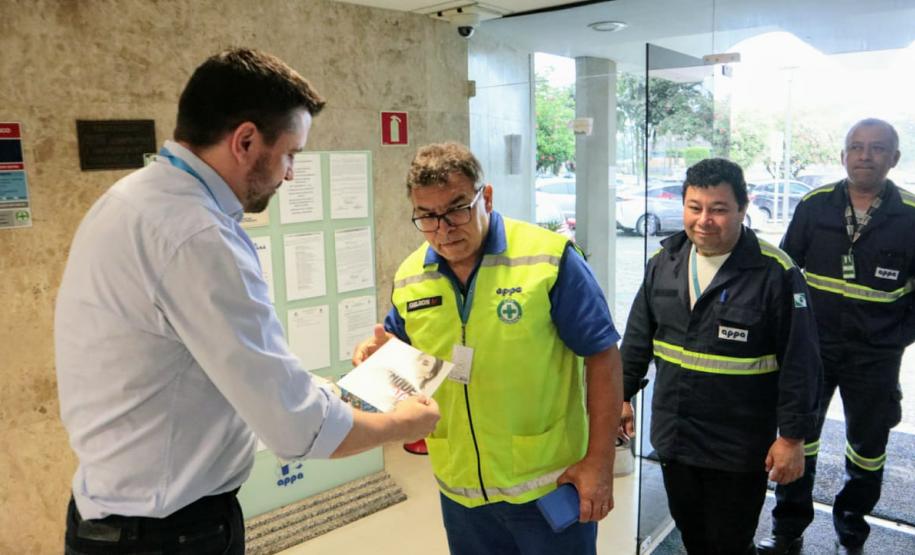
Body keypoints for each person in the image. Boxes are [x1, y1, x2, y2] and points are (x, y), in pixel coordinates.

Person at [55, 48, 439, 555]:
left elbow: (203, 366)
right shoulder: (199, 236)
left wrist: (322, 390)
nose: (291, 174)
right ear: (245, 141)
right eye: (291, 155)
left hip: (115, 518)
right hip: (167, 535)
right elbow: (297, 431)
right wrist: (403, 423)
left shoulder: (132, 198)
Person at [353, 142, 623, 555]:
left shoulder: (548, 260)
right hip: (461, 491)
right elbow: (403, 363)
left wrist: (599, 463)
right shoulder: (411, 277)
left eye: (458, 208)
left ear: (488, 198)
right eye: (427, 216)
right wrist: (375, 359)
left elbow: (602, 355)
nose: (444, 229)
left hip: (549, 483)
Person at [620, 158, 822, 555]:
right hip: (675, 436)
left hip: (738, 447)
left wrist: (793, 438)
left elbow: (802, 363)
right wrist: (621, 395)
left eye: (718, 209)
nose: (704, 220)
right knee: (693, 536)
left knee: (728, 542)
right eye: (694, 207)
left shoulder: (775, 273)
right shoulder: (664, 263)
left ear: (743, 208)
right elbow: (638, 339)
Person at [758, 119, 915, 555]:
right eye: (856, 147)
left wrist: (895, 338)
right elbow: (785, 274)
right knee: (797, 440)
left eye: (877, 148)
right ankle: (788, 531)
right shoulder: (815, 205)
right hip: (813, 352)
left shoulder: (911, 216)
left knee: (868, 450)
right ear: (843, 155)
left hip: (875, 358)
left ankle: (851, 534)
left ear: (894, 158)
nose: (865, 155)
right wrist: (790, 333)